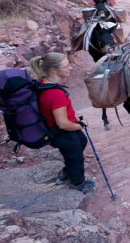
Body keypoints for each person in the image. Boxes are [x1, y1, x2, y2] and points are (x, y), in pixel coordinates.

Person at [29, 53, 96, 194]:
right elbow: (63, 124)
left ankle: (66, 172)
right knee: (75, 155)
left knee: (81, 141)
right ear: (53, 70)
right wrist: (81, 124)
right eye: (66, 66)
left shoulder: (45, 84)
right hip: (62, 133)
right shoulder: (55, 94)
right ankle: (78, 183)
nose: (70, 68)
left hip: (59, 129)